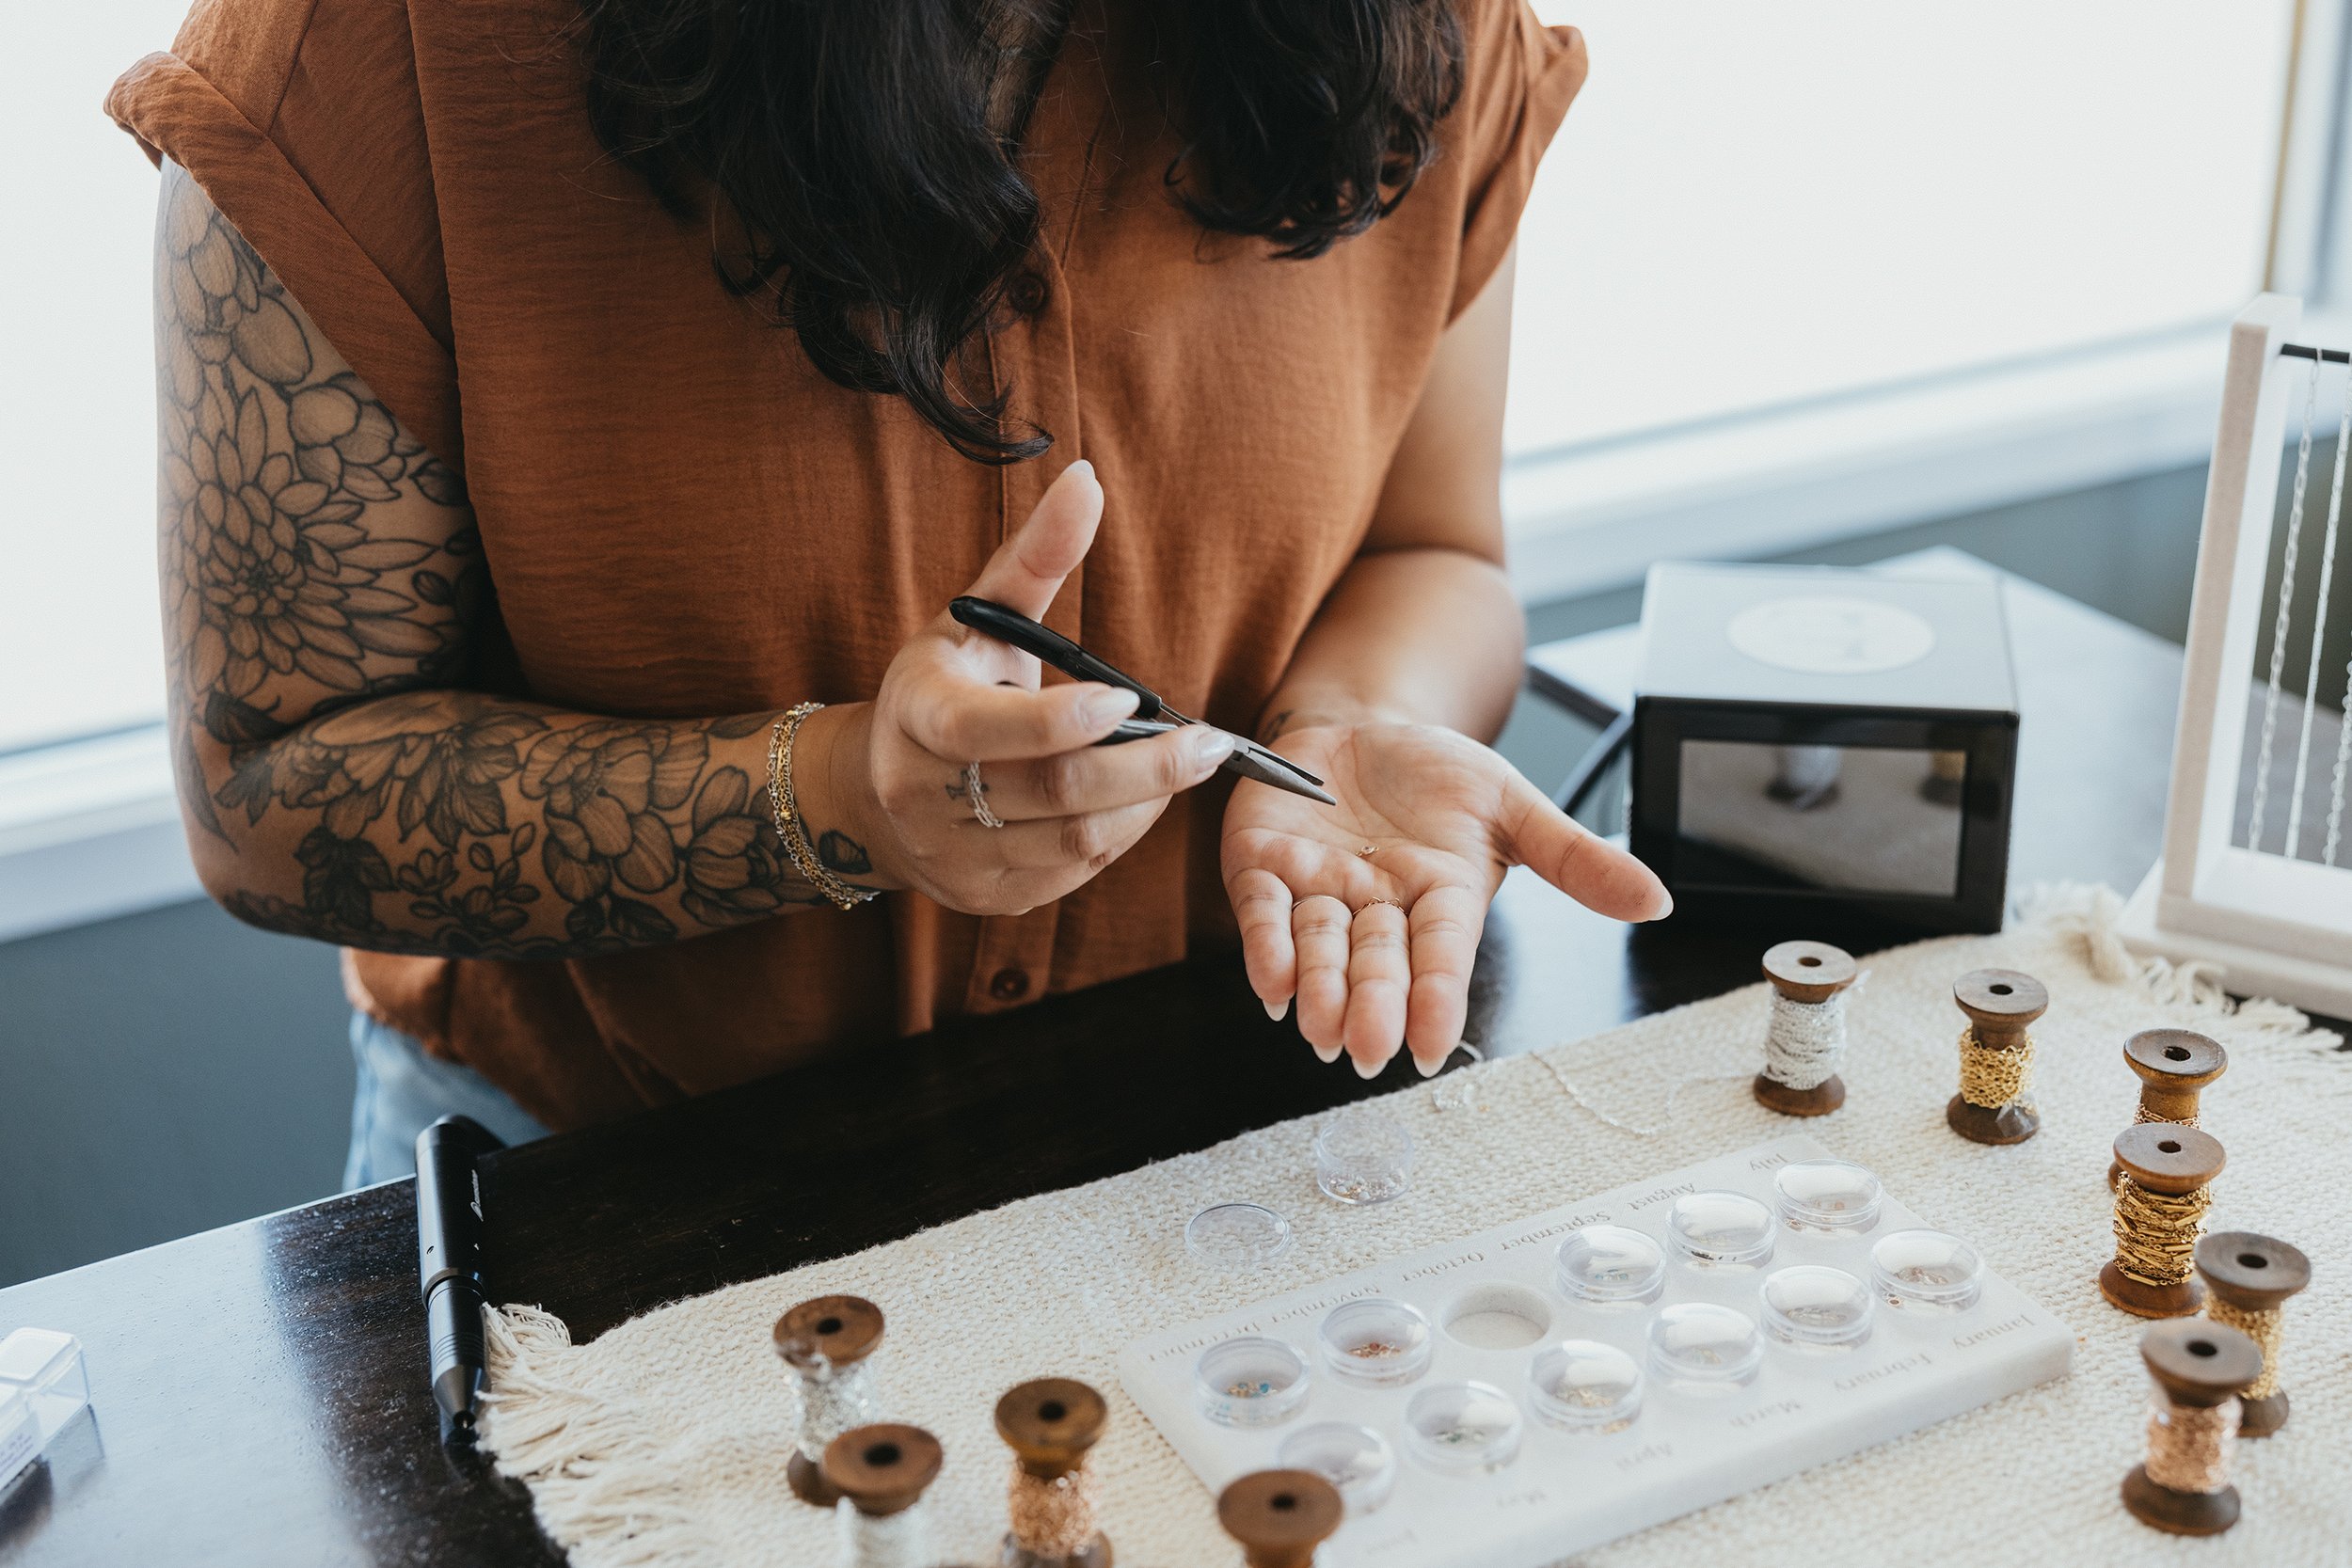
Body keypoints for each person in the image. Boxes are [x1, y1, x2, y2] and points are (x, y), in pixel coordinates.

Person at [109, 0, 1667, 1186]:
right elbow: (268, 788)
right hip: (589, 1177)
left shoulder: (1418, 30)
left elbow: (1434, 554)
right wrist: (843, 797)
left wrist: (1355, 720)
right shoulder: (365, 58)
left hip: (1212, 1127)